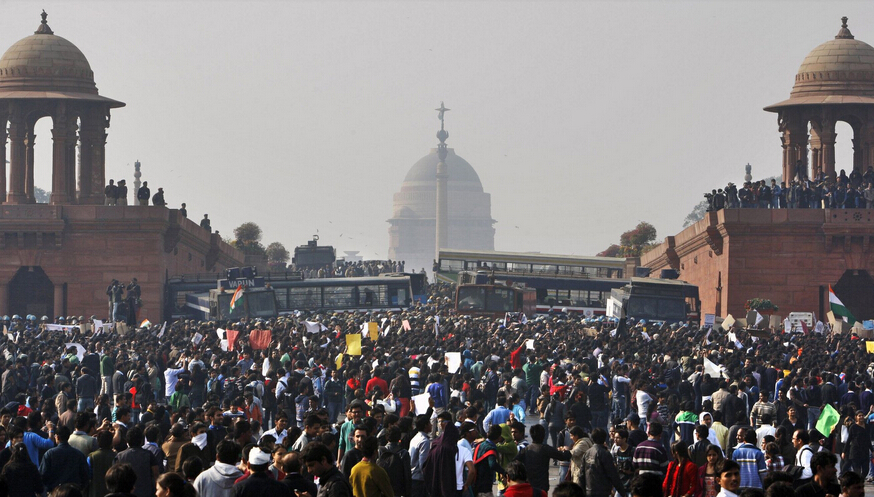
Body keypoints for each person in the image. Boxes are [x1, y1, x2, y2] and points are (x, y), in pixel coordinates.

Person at [515, 423, 569, 493]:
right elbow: (562, 456)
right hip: (542, 486)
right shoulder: (545, 449)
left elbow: (515, 462)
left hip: (528, 485)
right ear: (543, 436)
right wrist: (568, 450)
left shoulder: (526, 450)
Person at [39, 425, 89, 493]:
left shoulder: (49, 454)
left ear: (57, 437)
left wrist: (50, 488)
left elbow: (43, 474)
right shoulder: (79, 454)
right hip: (73, 491)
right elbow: (85, 475)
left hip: (55, 492)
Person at [113, 426, 160, 497]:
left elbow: (114, 477)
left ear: (127, 441)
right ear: (141, 440)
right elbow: (156, 474)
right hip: (146, 492)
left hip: (125, 493)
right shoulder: (149, 455)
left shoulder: (119, 456)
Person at [583, 428, 625, 497]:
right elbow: (612, 474)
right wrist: (622, 492)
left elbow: (582, 474)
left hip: (588, 490)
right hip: (602, 491)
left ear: (592, 438)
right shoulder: (605, 454)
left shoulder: (587, 453)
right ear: (604, 438)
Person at [473, 425, 508, 497]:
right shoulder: (490, 448)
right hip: (485, 486)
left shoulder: (480, 445)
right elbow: (492, 464)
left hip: (476, 482)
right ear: (499, 437)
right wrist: (504, 472)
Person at [409, 414, 431, 497]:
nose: (431, 425)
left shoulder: (415, 438)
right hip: (419, 479)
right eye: (429, 423)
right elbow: (423, 464)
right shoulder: (424, 441)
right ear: (426, 425)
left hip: (413, 476)